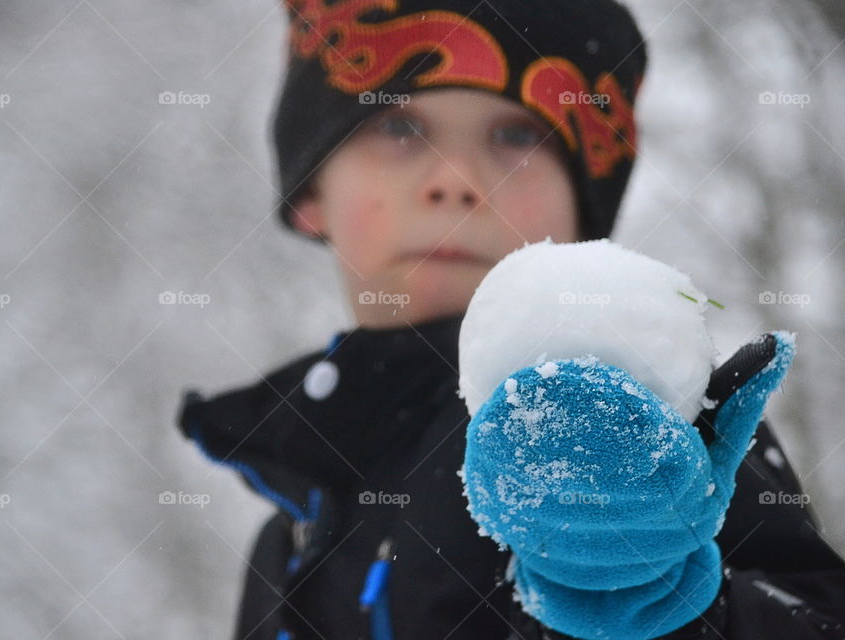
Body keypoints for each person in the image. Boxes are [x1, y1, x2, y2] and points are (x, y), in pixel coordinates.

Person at [177, 1, 845, 638]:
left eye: (517, 135)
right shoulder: (293, 517)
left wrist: (663, 607)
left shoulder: (652, 416)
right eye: (399, 127)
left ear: (584, 209)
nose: (457, 178)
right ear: (311, 196)